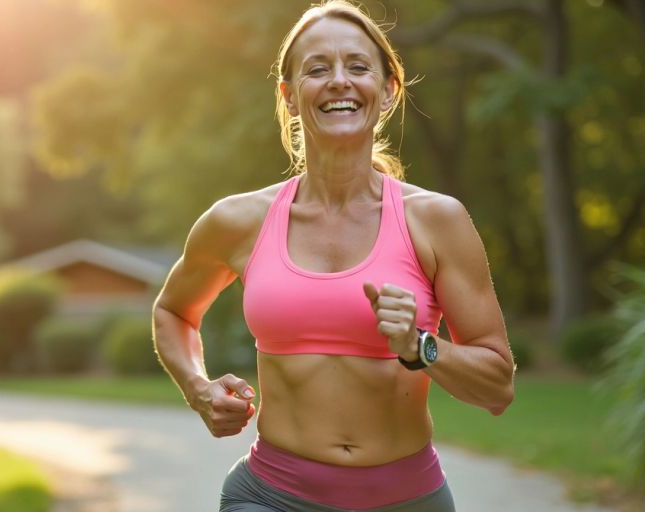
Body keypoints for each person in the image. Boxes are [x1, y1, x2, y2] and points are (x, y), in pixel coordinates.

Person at [152, 1, 515, 510]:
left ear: (388, 91)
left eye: (358, 66)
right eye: (317, 69)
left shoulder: (436, 221)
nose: (339, 81)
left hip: (406, 499)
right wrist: (197, 388)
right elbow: (173, 311)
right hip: (270, 496)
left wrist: (420, 346)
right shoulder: (238, 221)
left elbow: (497, 387)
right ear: (289, 96)